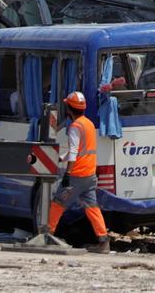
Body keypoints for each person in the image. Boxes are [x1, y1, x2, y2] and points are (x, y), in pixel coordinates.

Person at [47, 91, 110, 253]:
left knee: (57, 203)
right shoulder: (88, 124)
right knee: (92, 207)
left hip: (76, 174)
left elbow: (74, 151)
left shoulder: (75, 127)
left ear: (68, 109)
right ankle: (103, 241)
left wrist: (67, 173)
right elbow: (82, 150)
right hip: (89, 174)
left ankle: (47, 235)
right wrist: (60, 158)